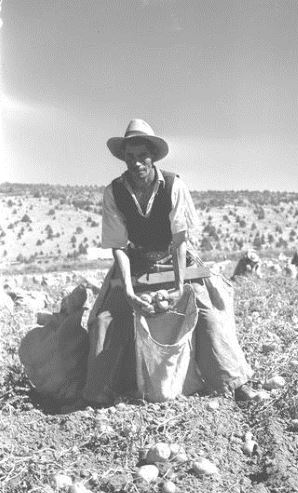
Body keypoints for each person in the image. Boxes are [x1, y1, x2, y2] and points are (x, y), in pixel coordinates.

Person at [82, 119, 254, 407]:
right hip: (135, 261)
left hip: (174, 256)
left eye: (142, 156)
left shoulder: (174, 185)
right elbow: (119, 248)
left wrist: (178, 286)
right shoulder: (114, 192)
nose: (136, 163)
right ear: (124, 159)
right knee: (104, 318)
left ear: (153, 157)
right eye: (130, 157)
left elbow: (179, 240)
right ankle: (96, 391)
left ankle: (233, 383)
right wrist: (126, 290)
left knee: (207, 310)